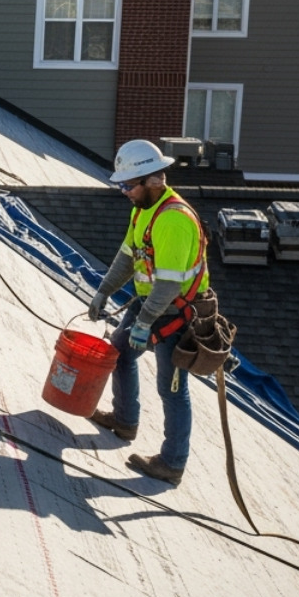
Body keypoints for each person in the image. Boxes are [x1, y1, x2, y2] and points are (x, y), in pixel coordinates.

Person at [87, 140, 211, 486]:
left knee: (171, 388)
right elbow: (129, 255)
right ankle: (125, 421)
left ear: (152, 181)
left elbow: (170, 285)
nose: (124, 191)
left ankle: (172, 463)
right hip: (149, 304)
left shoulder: (174, 221)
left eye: (128, 185)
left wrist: (144, 323)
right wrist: (103, 291)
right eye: (121, 185)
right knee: (119, 352)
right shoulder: (142, 209)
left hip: (176, 313)